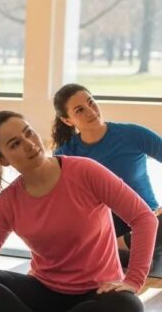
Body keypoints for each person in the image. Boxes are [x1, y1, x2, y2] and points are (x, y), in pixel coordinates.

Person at [0, 110, 156, 312]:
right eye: (15, 144)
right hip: (44, 292)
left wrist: (133, 281)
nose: (29, 144)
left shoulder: (85, 171)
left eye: (28, 133)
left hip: (99, 293)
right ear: (1, 159)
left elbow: (144, 218)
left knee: (129, 309)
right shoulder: (9, 202)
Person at [52, 83, 162, 251]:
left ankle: (119, 247)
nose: (91, 111)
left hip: (148, 220)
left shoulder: (133, 134)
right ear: (67, 120)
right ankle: (118, 247)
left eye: (91, 102)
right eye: (79, 110)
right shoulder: (65, 155)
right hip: (106, 226)